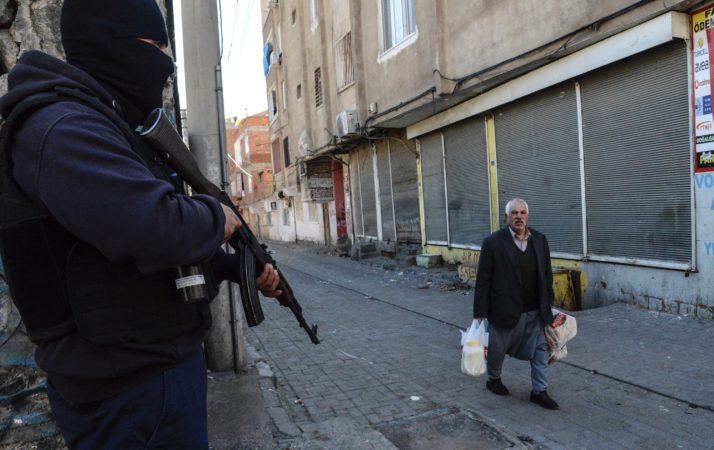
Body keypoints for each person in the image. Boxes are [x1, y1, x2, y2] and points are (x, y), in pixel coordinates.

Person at [0, 0, 281, 448]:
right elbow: (153, 228)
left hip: (149, 374)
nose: (167, 62)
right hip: (128, 388)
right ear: (110, 43)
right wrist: (218, 217)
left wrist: (233, 268)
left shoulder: (102, 122)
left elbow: (119, 252)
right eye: (156, 45)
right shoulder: (64, 127)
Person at [473, 198, 559, 410]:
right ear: (507, 217)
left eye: (522, 213)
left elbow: (546, 276)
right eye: (514, 213)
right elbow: (483, 280)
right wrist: (480, 312)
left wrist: (549, 304)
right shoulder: (493, 243)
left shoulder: (540, 240)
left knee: (541, 350)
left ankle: (539, 391)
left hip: (535, 310)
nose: (519, 216)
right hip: (505, 309)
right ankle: (493, 379)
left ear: (527, 216)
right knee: (497, 349)